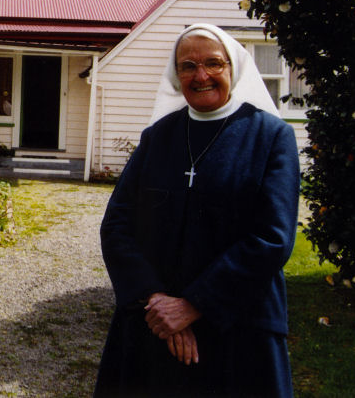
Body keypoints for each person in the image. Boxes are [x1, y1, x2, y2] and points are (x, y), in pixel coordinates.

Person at [94, 23, 300, 398]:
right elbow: (117, 226)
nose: (201, 75)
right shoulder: (157, 138)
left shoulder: (271, 137)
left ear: (232, 69)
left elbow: (273, 238)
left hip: (239, 328)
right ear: (176, 75)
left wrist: (193, 304)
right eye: (188, 66)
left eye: (213, 64)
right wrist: (156, 301)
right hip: (154, 325)